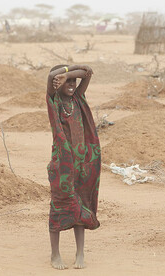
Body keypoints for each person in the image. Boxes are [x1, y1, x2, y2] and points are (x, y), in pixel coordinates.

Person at [46, 64, 101, 269]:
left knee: (81, 207)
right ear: (56, 84)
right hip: (62, 166)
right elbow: (52, 75)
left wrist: (69, 72)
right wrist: (60, 76)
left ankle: (80, 253)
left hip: (82, 165)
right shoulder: (54, 100)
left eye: (72, 82)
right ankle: (55, 255)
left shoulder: (78, 98)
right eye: (65, 82)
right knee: (59, 206)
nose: (70, 85)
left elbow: (88, 71)